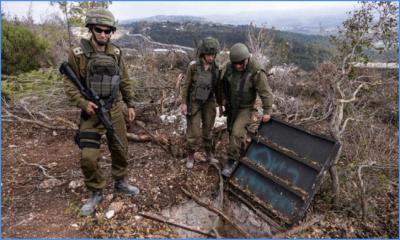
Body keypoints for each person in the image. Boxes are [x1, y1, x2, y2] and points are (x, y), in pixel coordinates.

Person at [63, 8, 139, 216]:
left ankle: (120, 181)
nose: (104, 35)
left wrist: (130, 104)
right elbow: (69, 84)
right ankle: (96, 191)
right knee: (88, 157)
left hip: (114, 109)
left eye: (108, 31)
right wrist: (83, 103)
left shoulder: (116, 53)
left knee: (120, 148)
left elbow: (124, 79)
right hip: (91, 112)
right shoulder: (77, 55)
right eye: (99, 30)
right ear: (91, 29)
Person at [217, 43, 273, 177]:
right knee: (232, 130)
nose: (238, 66)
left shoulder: (256, 71)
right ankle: (240, 149)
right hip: (231, 105)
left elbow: (266, 93)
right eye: (236, 63)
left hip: (246, 108)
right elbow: (220, 82)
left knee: (236, 133)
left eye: (241, 63)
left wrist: (267, 111)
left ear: (247, 59)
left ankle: (232, 161)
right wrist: (221, 101)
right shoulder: (229, 67)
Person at [180, 37, 221, 169]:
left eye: (213, 55)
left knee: (208, 129)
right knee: (194, 131)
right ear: (203, 54)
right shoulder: (193, 67)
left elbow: (218, 88)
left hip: (209, 101)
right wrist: (183, 102)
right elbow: (186, 85)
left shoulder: (216, 68)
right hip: (194, 102)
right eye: (209, 54)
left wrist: (220, 104)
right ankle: (190, 154)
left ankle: (209, 153)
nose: (211, 57)